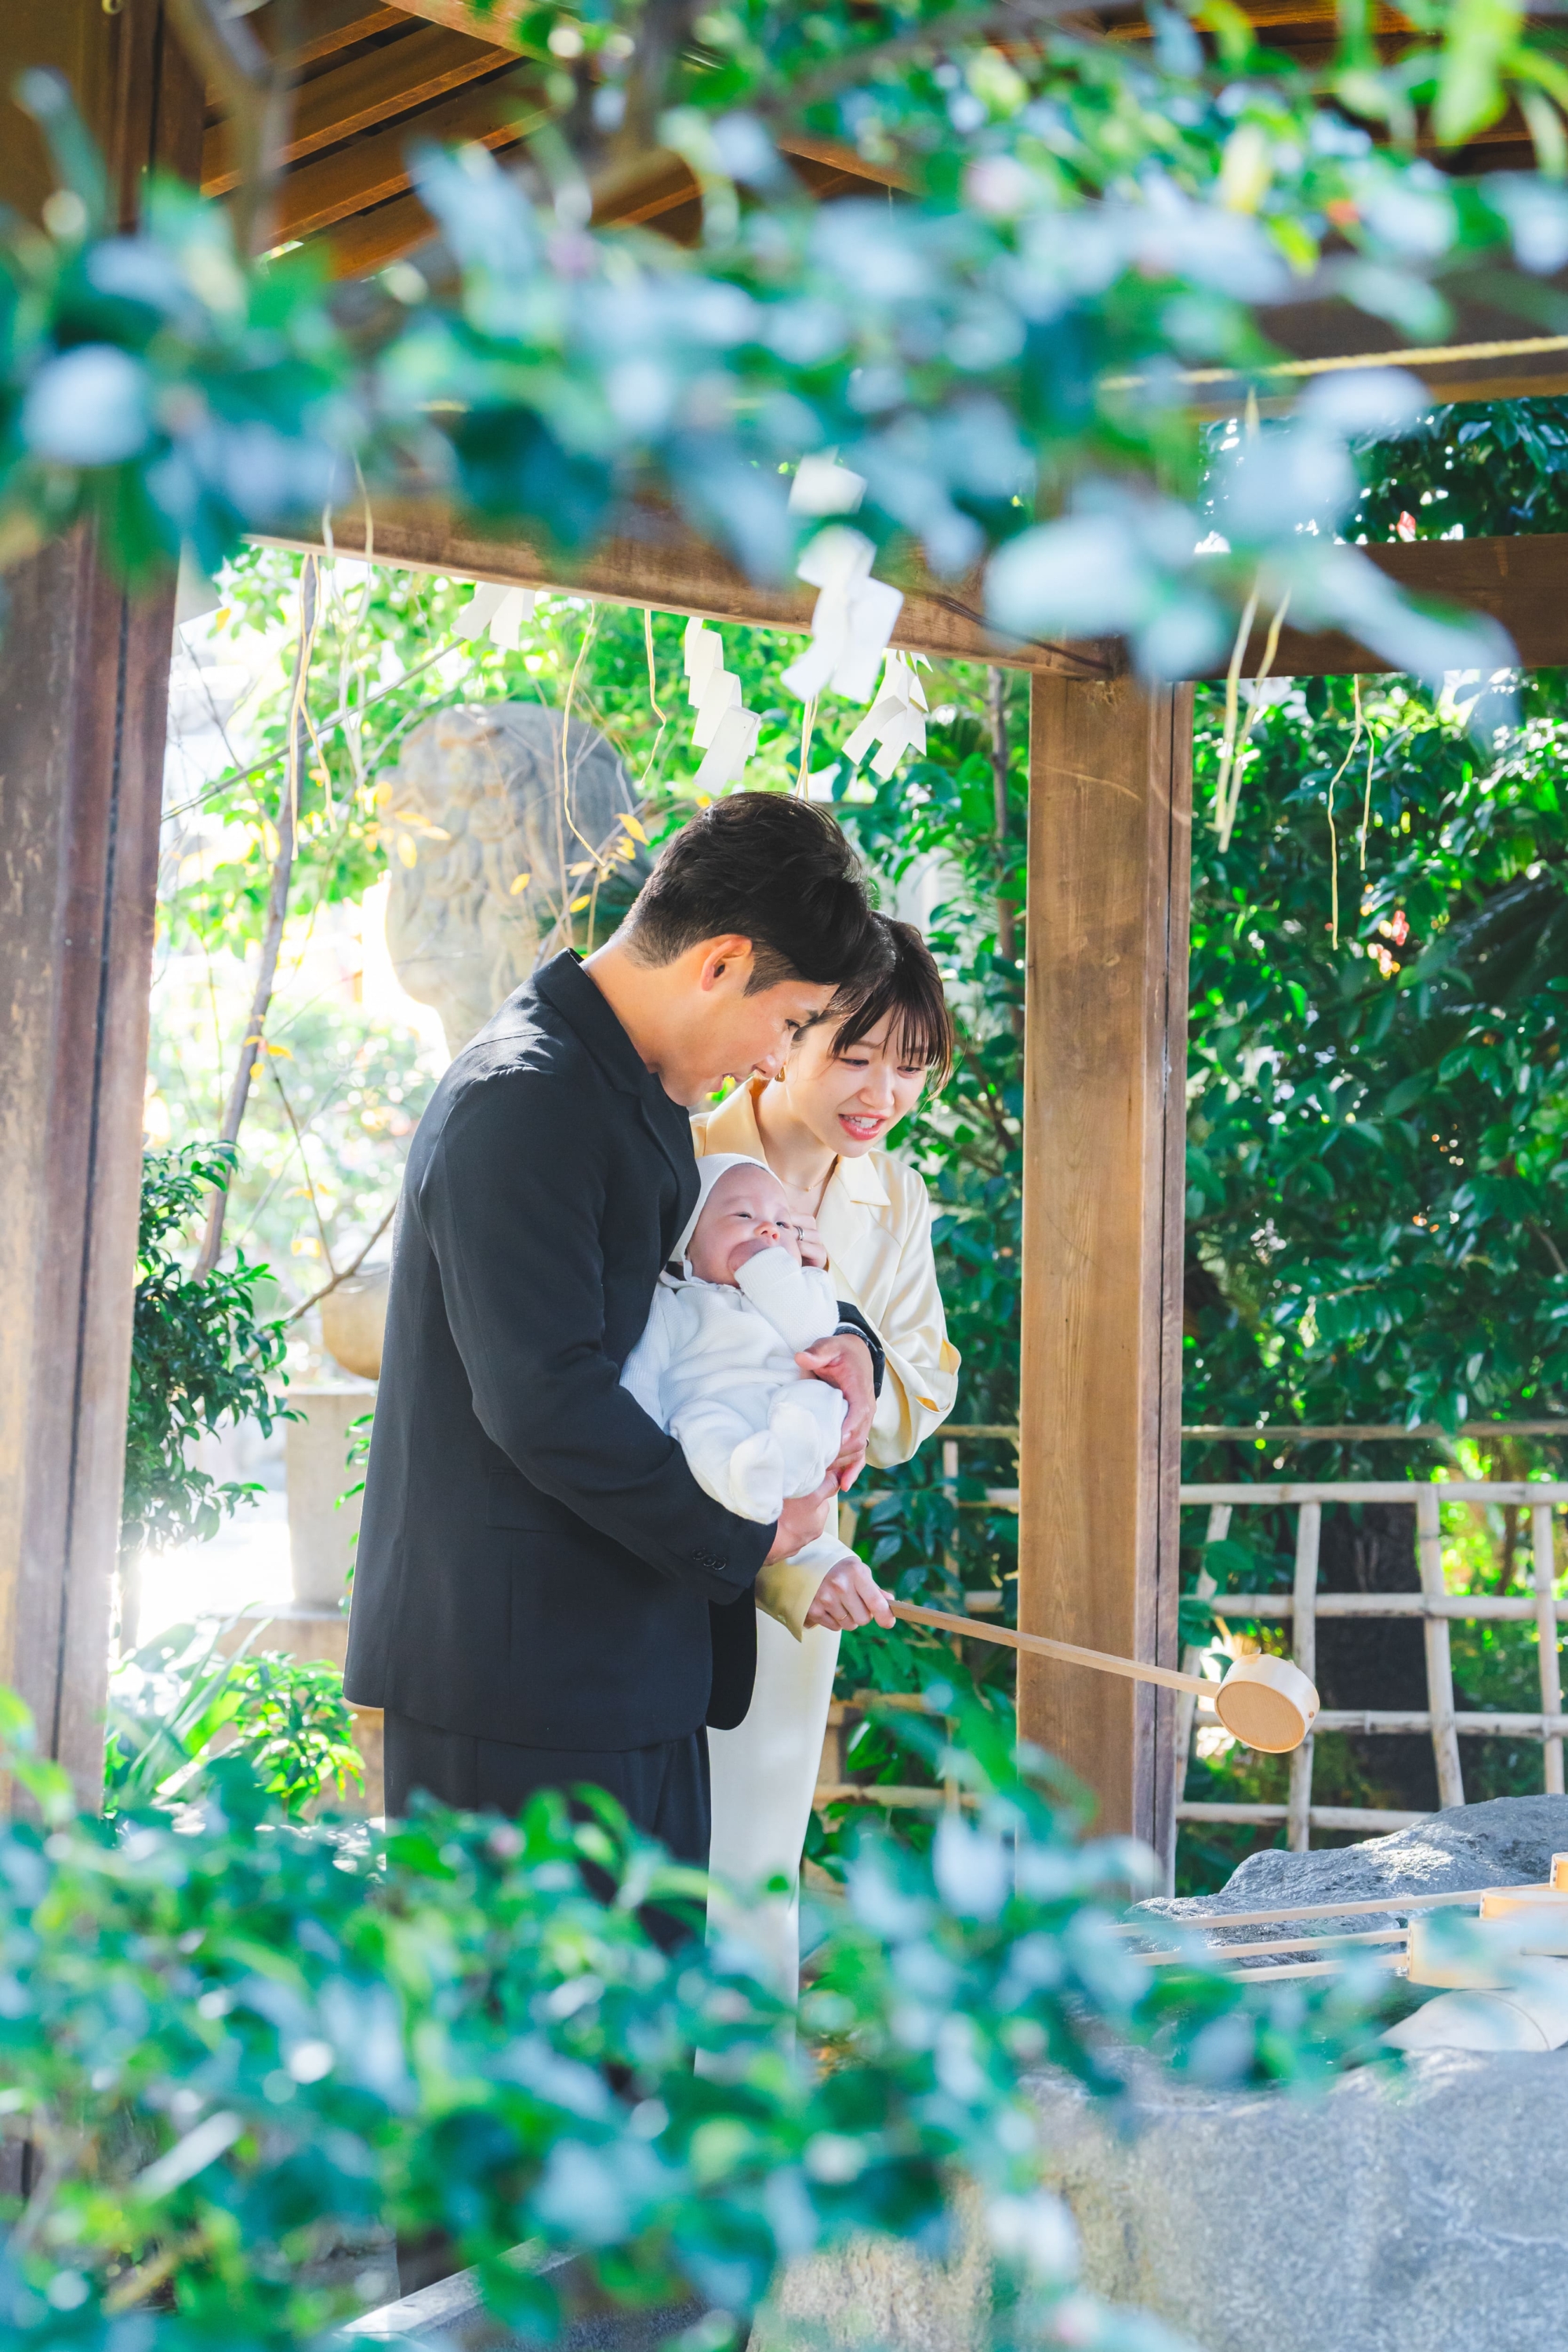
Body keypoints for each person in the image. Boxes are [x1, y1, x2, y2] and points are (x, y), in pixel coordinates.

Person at [343, 792, 891, 1867]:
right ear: (721, 962)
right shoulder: (526, 1100)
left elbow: (721, 1265)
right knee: (539, 2033)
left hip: (624, 1663)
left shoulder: (624, 1088)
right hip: (517, 1686)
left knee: (635, 2029)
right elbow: (545, 1397)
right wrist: (751, 1535)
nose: (777, 1063)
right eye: (787, 1025)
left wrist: (852, 1349)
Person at [693, 917, 959, 1993]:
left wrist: (847, 1377)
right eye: (854, 1055)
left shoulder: (893, 1199)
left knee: (755, 1859)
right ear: (785, 1034)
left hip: (802, 1561)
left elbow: (919, 1393)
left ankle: (747, 2128)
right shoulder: (683, 1158)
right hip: (658, 1538)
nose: (880, 1095)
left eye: (909, 1070)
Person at [619, 1152, 898, 1630]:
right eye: (744, 1216)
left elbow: (810, 1327)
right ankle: (752, 1478)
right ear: (685, 1244)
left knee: (815, 1405)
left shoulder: (802, 1292)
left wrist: (770, 1270)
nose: (769, 1230)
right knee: (704, 1430)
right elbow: (640, 1377)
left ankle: (784, 1463)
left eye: (784, 1223)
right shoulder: (668, 1303)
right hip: (709, 1412)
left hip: (786, 1411)